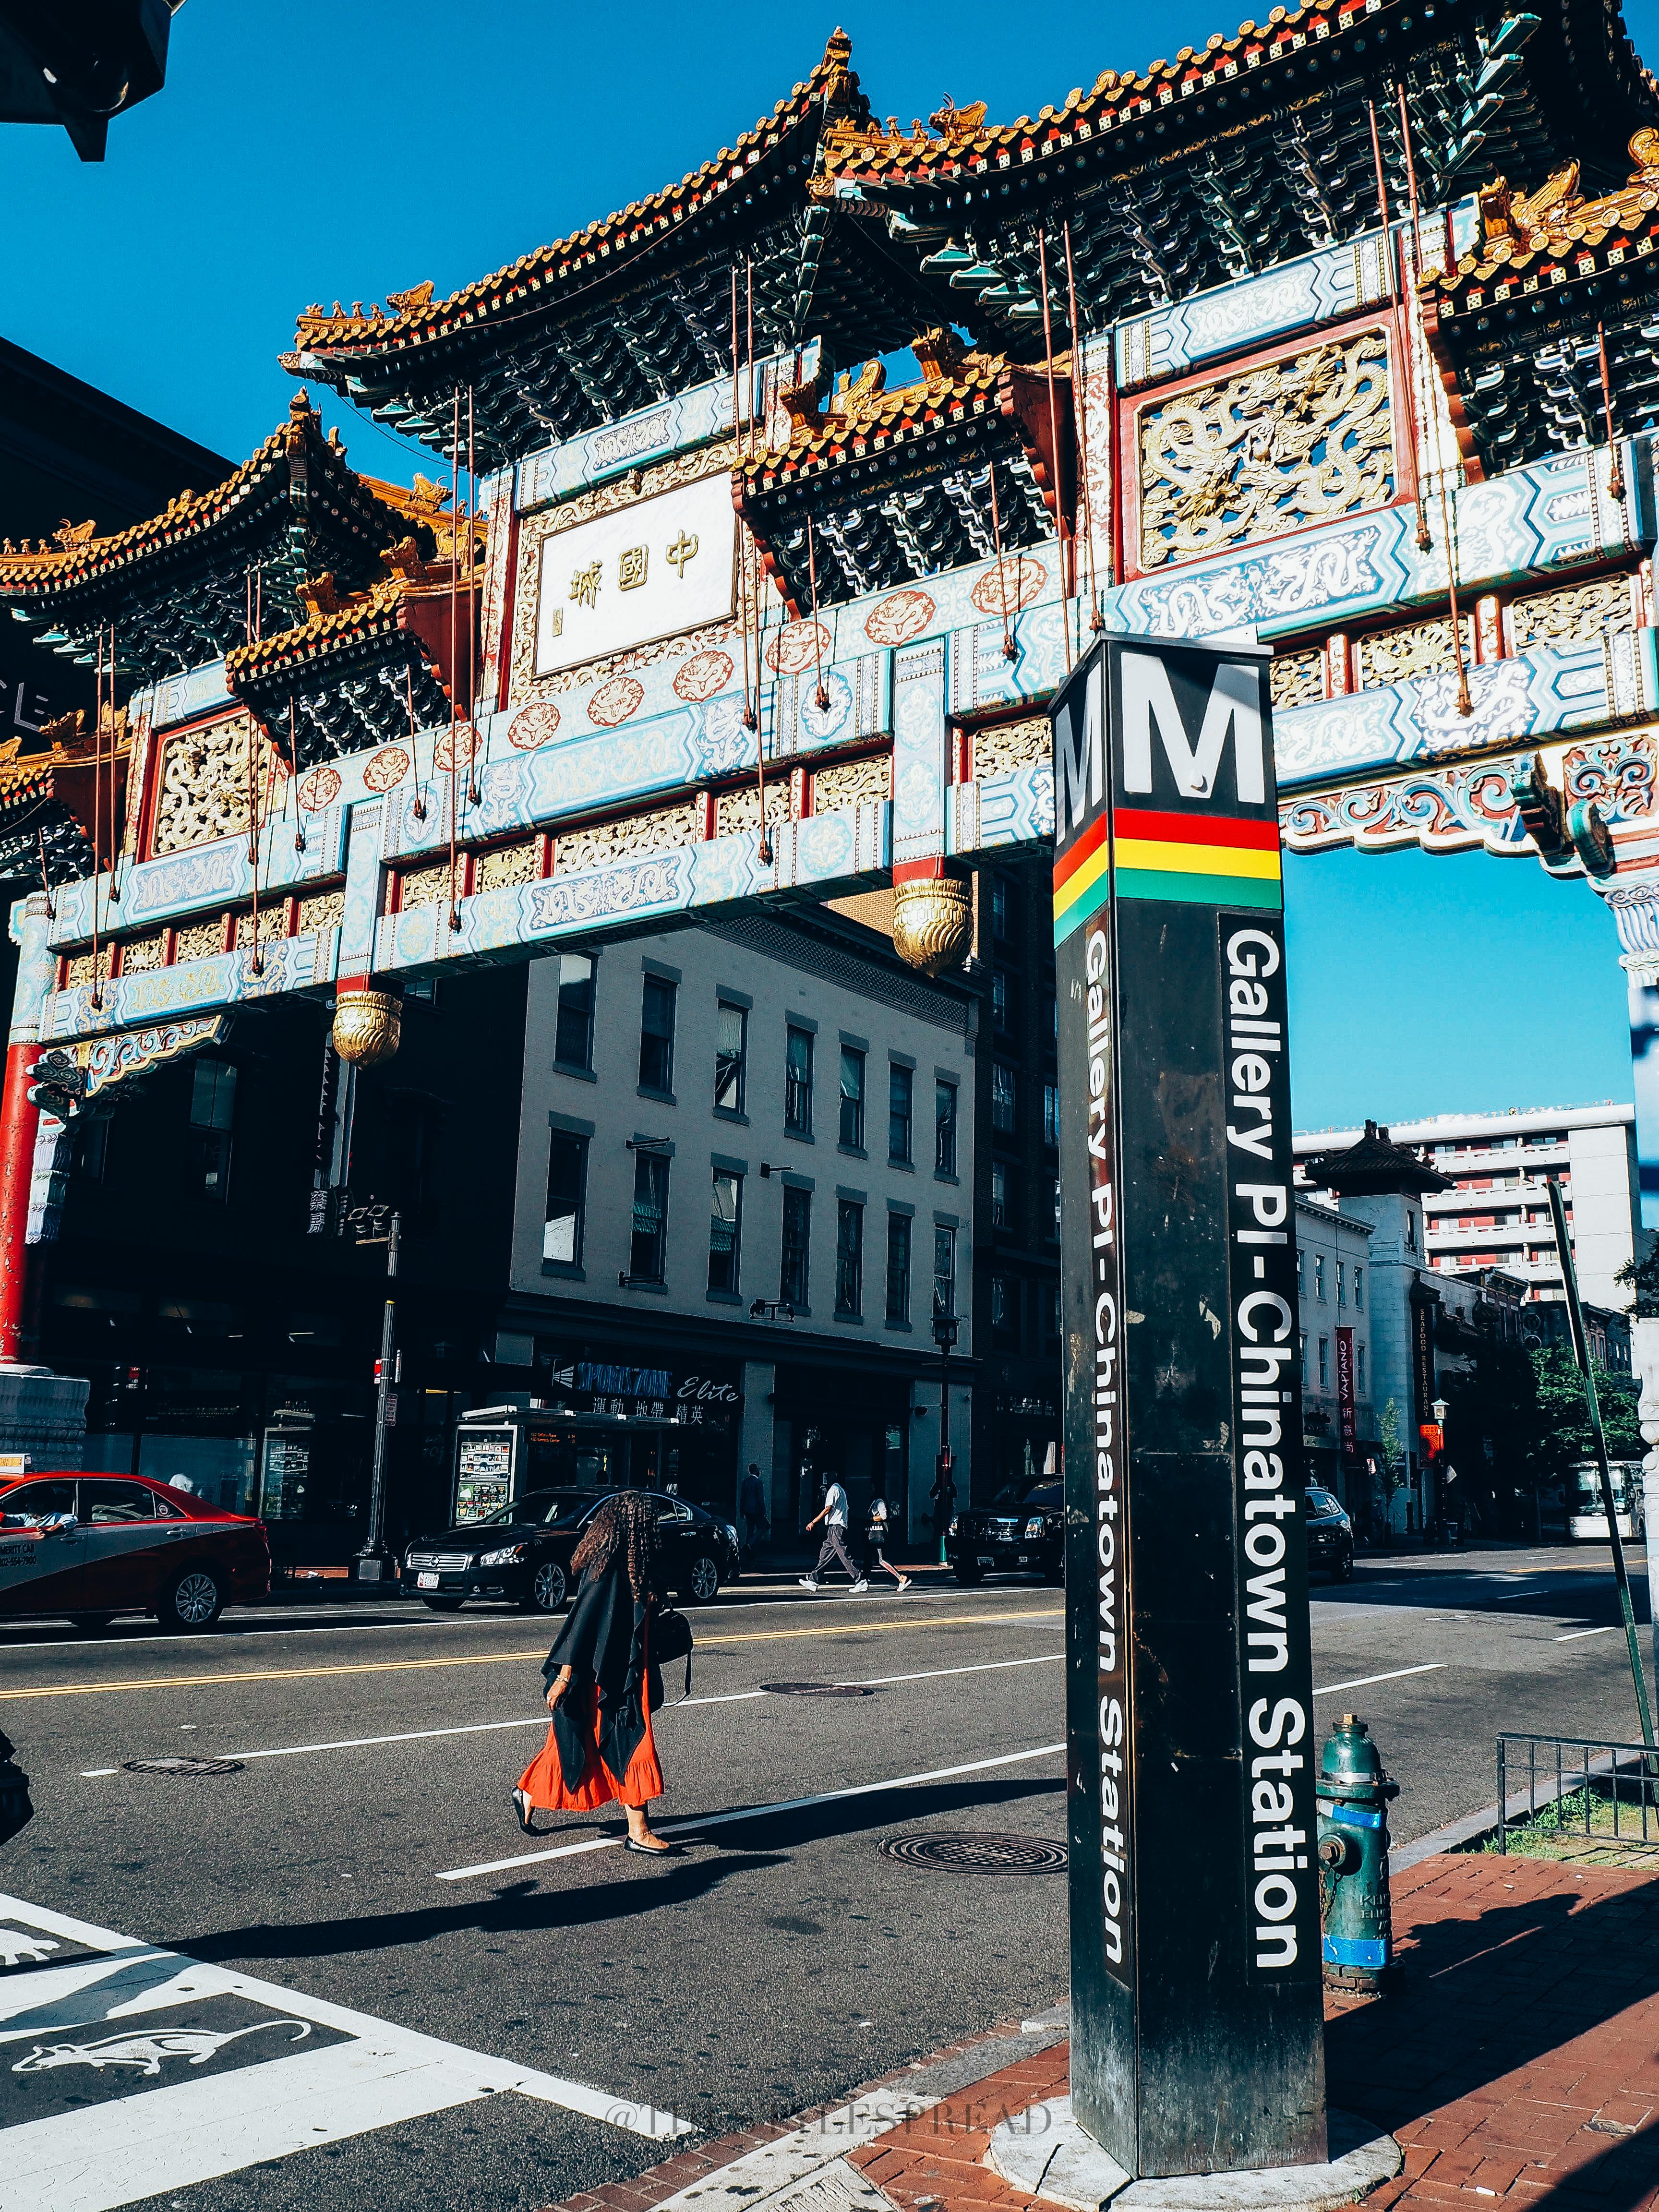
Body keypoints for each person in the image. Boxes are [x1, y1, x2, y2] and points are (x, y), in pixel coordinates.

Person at [513, 1491, 675, 1856]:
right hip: (609, 1675)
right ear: (634, 1525)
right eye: (649, 1521)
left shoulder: (635, 1563)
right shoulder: (608, 1565)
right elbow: (582, 1623)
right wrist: (565, 1677)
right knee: (631, 1739)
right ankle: (639, 1830)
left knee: (581, 1741)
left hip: (624, 1669)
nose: (654, 1527)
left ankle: (528, 1792)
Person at [800, 1471, 866, 1593]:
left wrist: (813, 1522)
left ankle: (860, 1580)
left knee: (843, 1553)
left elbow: (827, 1509)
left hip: (836, 1527)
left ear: (829, 1479)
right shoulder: (840, 1490)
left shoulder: (833, 1490)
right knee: (825, 1553)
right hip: (836, 1527)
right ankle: (814, 1581)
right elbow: (845, 1509)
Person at [862, 1489, 912, 1593]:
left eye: (872, 1489)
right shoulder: (876, 1502)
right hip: (872, 1535)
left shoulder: (880, 1502)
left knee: (881, 1560)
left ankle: (901, 1578)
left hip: (877, 1535)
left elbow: (884, 1516)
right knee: (867, 1559)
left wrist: (872, 1519)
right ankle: (864, 1582)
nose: (870, 1491)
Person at [739, 1464, 768, 1559]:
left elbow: (742, 1498)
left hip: (747, 1510)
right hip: (756, 1510)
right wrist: (764, 1510)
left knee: (750, 1530)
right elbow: (761, 1498)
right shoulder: (758, 1482)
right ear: (756, 1471)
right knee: (761, 1528)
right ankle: (750, 1545)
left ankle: (748, 1551)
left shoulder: (745, 1482)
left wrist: (741, 1511)